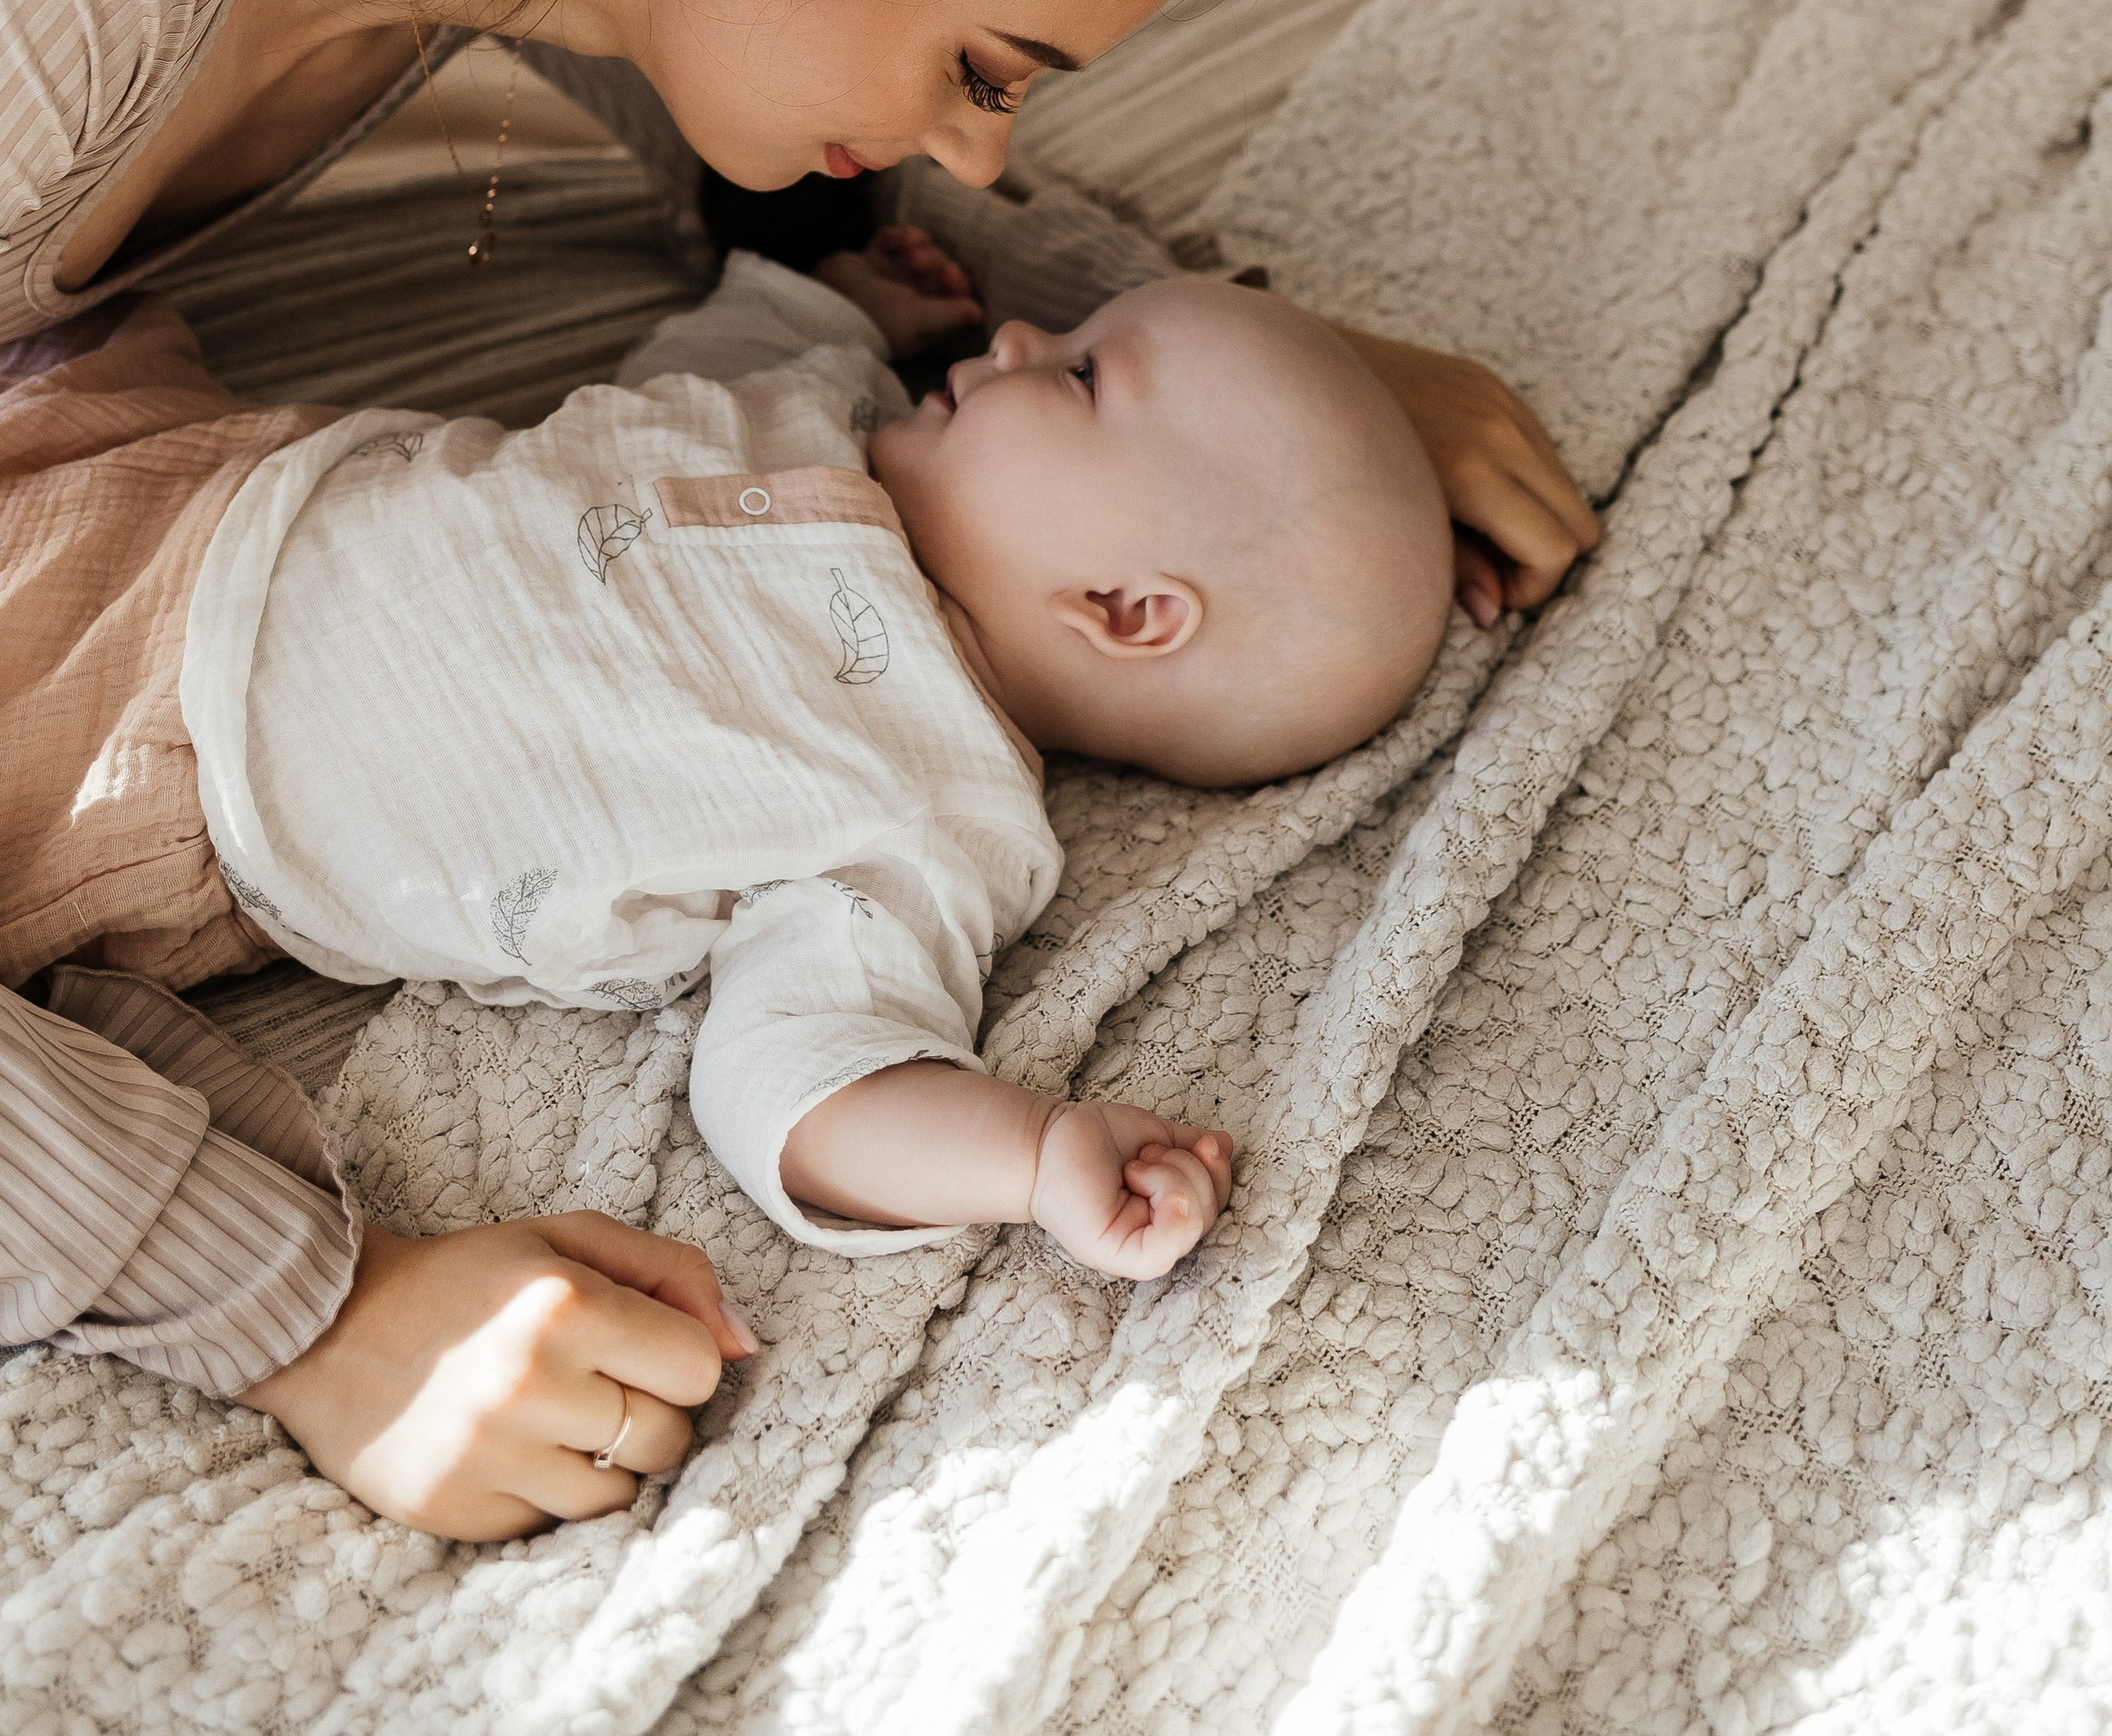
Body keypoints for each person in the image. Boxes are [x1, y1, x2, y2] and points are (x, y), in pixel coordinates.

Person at [0, 0, 1598, 1536]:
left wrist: (1276, 382)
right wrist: (318, 1314)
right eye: (979, 69)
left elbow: (850, 229)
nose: (984, 148)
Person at [7, 235, 1453, 1316]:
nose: (1015, 331)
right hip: (199, 469)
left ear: (1128, 611)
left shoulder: (928, 819)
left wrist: (1029, 1158)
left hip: (153, 776)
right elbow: (693, 368)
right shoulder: (841, 403)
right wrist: (848, 300)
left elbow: (803, 1074)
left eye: (1079, 370)